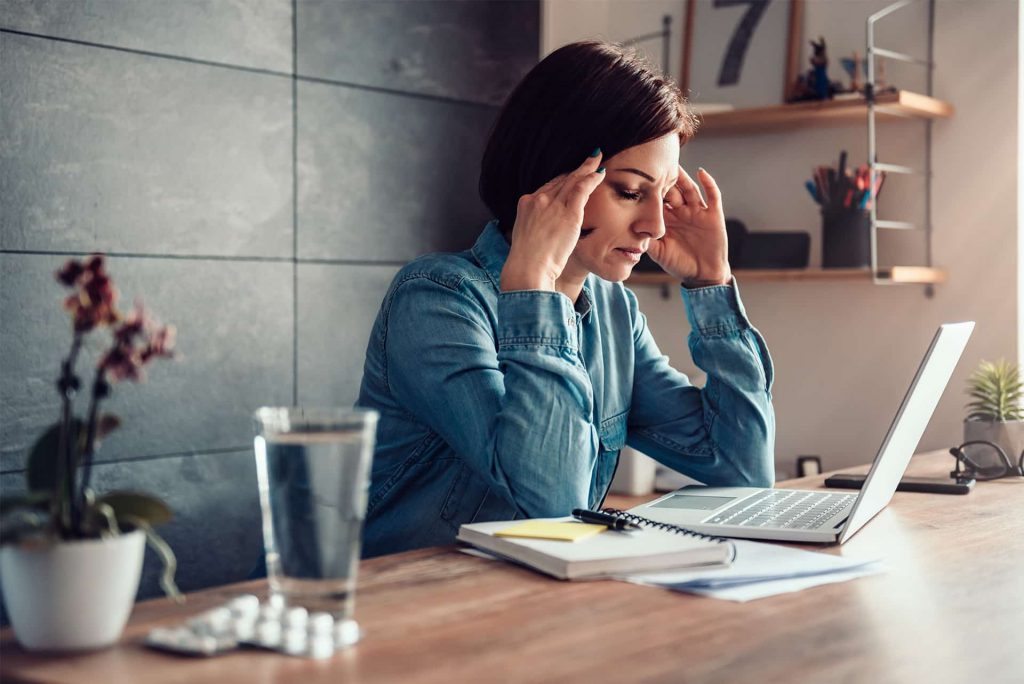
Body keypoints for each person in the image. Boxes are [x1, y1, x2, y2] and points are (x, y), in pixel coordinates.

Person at [357, 40, 775, 558]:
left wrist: (712, 283)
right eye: (628, 191)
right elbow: (552, 502)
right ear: (553, 177)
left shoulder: (614, 312)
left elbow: (742, 468)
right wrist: (534, 285)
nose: (656, 226)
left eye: (662, 195)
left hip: (525, 605)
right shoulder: (437, 299)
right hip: (403, 610)